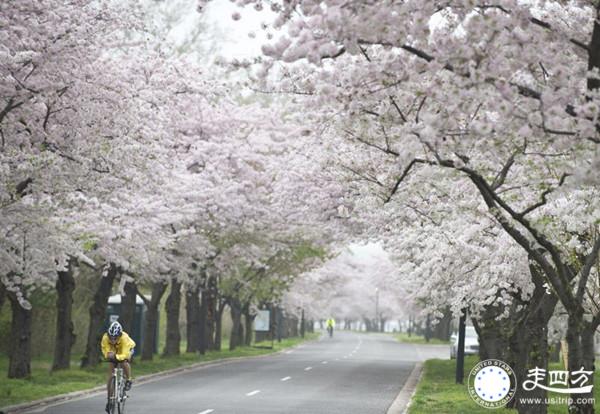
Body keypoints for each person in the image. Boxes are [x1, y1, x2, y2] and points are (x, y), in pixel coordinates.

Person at [101, 321, 135, 413]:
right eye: (111, 337)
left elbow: (125, 354)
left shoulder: (125, 338)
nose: (112, 340)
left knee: (124, 362)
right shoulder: (105, 337)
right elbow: (105, 350)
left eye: (115, 338)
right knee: (110, 374)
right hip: (114, 351)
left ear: (119, 336)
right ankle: (109, 400)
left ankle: (128, 379)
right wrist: (108, 355)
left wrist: (116, 357)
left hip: (127, 350)